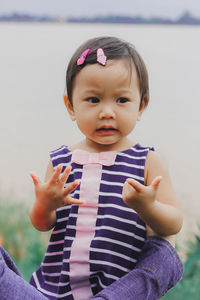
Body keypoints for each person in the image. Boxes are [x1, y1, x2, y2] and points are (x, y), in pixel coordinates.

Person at [0, 36, 183, 300]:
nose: (107, 112)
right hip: (52, 291)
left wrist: (148, 207)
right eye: (93, 100)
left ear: (141, 105)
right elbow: (42, 224)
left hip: (116, 289)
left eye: (121, 100)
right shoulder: (61, 160)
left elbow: (173, 225)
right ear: (71, 107)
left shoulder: (146, 161)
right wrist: (45, 204)